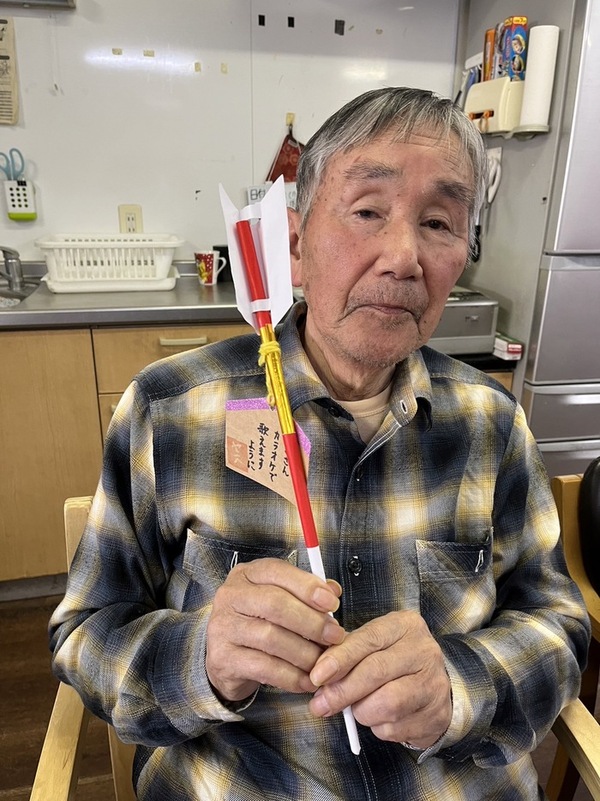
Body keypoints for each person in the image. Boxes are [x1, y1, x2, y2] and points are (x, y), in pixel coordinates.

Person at [50, 87, 590, 801]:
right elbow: (86, 635)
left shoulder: (493, 422)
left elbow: (559, 624)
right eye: (367, 211)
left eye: (438, 222)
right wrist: (202, 657)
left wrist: (461, 685)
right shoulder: (168, 409)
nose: (403, 256)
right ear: (296, 246)